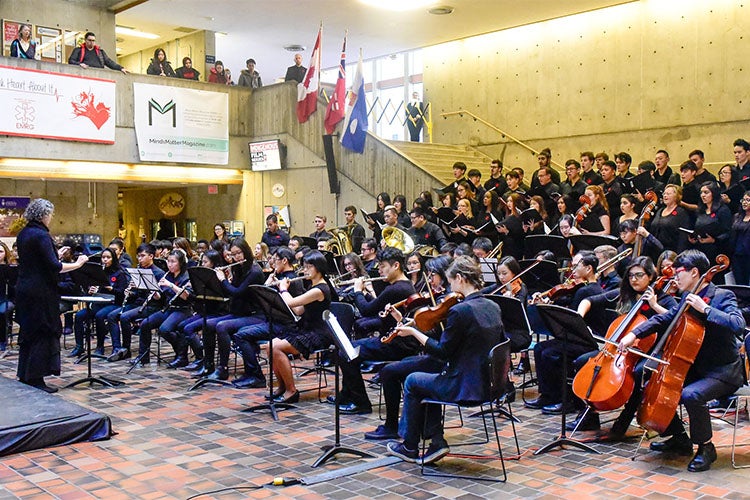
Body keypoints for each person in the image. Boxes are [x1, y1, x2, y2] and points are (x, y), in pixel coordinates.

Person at [619, 250, 745, 472]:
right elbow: (664, 318)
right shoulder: (687, 298)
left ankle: (706, 448)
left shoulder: (722, 296)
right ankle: (679, 437)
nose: (675, 278)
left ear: (695, 272)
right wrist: (634, 334)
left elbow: (737, 324)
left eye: (679, 273)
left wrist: (705, 309)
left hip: (723, 371)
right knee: (651, 383)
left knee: (691, 395)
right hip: (695, 366)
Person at [386, 256, 506, 464]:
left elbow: (442, 352)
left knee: (414, 381)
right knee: (427, 379)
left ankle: (410, 446)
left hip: (465, 387)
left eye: (451, 282)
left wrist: (415, 333)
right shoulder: (493, 306)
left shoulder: (460, 311)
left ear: (460, 278)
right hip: (491, 386)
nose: (450, 287)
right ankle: (435, 442)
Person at [571, 256, 677, 432]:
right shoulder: (626, 295)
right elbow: (589, 300)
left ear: (651, 276)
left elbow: (676, 319)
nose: (633, 279)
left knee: (638, 372)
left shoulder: (664, 299)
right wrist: (579, 318)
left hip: (654, 350)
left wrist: (654, 305)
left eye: (639, 275)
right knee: (581, 362)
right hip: (620, 350)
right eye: (630, 276)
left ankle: (626, 417)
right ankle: (590, 414)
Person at [363, 255, 452, 441]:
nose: (428, 279)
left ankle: (393, 426)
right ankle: (417, 424)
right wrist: (400, 320)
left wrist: (413, 331)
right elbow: (425, 329)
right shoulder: (439, 300)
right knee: (402, 365)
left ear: (444, 276)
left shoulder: (448, 304)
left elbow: (436, 342)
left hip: (442, 360)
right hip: (434, 355)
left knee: (389, 371)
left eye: (432, 274)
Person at [15, 199, 88, 393]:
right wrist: (78, 264)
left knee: (29, 333)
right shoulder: (41, 235)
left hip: (24, 289)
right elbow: (54, 267)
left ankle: (25, 373)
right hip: (40, 292)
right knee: (43, 331)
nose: (51, 218)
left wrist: (55, 253)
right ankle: (36, 378)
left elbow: (38, 260)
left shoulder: (24, 233)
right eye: (50, 215)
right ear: (44, 215)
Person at [336, 247, 417, 413]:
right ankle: (346, 395)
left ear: (396, 266)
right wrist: (365, 294)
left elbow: (367, 310)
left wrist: (357, 291)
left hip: (396, 343)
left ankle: (361, 403)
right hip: (397, 340)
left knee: (346, 353)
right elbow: (377, 306)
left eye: (382, 266)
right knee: (348, 350)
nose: (379, 270)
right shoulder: (404, 285)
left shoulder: (396, 288)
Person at [268, 251, 332, 403]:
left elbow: (291, 303)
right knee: (270, 346)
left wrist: (283, 289)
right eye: (304, 267)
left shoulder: (320, 289)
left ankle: (292, 391)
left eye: (309, 267)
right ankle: (282, 386)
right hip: (307, 329)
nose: (305, 270)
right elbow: (298, 310)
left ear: (319, 268)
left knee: (276, 347)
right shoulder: (312, 286)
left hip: (319, 334)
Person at [132, 249, 193, 367]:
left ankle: (182, 355)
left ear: (180, 263)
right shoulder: (168, 275)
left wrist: (170, 285)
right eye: (168, 261)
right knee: (145, 324)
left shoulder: (186, 276)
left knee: (165, 329)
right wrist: (153, 290)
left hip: (182, 309)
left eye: (173, 262)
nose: (169, 264)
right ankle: (143, 357)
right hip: (169, 308)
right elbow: (160, 297)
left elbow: (186, 296)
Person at [106, 242, 166, 362]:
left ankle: (127, 349)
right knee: (112, 316)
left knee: (124, 317)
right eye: (138, 256)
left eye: (142, 256)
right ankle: (117, 348)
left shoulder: (158, 273)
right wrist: (130, 291)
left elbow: (162, 298)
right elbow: (136, 295)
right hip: (138, 304)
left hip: (152, 306)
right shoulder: (138, 270)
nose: (139, 259)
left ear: (151, 256)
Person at [70, 248, 129, 357]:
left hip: (113, 303)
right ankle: (79, 347)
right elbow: (96, 291)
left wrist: (111, 289)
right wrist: (91, 291)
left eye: (108, 257)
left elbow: (122, 293)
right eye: (103, 257)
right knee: (79, 316)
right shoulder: (98, 272)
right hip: (99, 302)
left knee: (99, 316)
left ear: (113, 259)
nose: (105, 260)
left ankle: (100, 346)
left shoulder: (119, 273)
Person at [730, 192, 750, 285]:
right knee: (739, 283)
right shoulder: (737, 216)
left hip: (748, 255)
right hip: (737, 255)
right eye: (743, 200)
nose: (744, 202)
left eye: (748, 200)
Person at [0, 242, 16, 352]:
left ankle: (2, 340)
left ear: (6, 253)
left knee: (1, 312)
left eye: (0, 252)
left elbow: (14, 288)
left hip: (8, 298)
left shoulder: (12, 268)